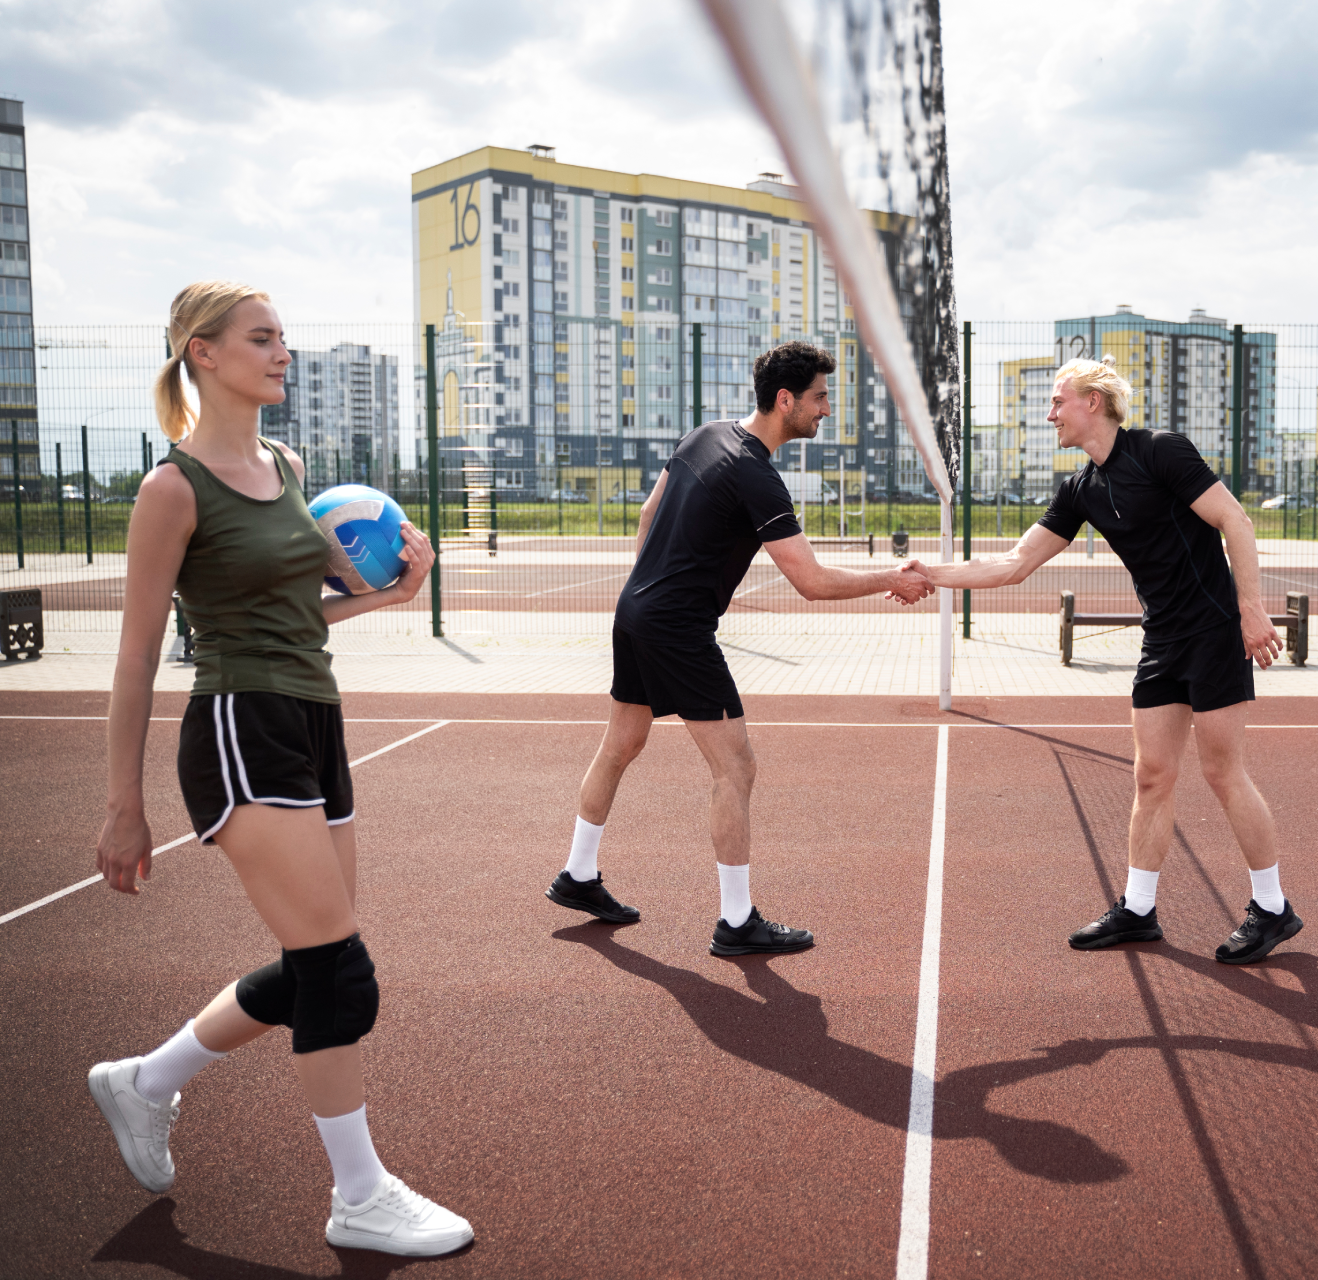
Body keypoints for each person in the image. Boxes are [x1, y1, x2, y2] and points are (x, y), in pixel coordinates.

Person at [89, 282, 472, 1256]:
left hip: (313, 714)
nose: (282, 352)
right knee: (342, 974)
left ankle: (147, 1080)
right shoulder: (171, 488)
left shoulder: (286, 465)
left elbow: (302, 610)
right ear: (201, 353)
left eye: (284, 338)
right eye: (261, 338)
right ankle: (359, 1194)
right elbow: (136, 654)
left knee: (318, 965)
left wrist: (389, 597)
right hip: (236, 722)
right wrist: (124, 805)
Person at [909, 358, 1301, 963]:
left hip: (1214, 631)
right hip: (1162, 640)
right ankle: (1139, 910)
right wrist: (927, 574)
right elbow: (1013, 564)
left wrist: (1251, 609)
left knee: (1224, 773)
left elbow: (1235, 521)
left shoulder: (1161, 451)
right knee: (1151, 776)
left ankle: (1273, 907)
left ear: (1092, 401)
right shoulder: (1080, 489)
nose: (1049, 414)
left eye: (1057, 401)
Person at [546, 341, 932, 953]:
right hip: (676, 627)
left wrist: (647, 583)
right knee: (736, 767)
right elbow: (811, 583)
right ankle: (735, 921)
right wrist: (892, 578)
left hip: (635, 609)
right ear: (786, 400)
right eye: (820, 397)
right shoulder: (757, 476)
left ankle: (579, 874)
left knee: (620, 744)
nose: (826, 410)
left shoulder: (704, 436)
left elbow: (648, 513)